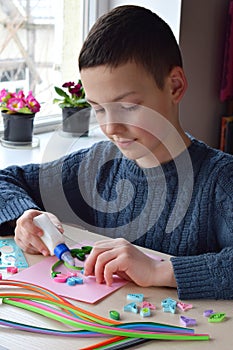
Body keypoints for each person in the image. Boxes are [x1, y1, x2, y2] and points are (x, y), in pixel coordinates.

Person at [1, 5, 233, 300]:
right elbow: (7, 180)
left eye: (127, 107)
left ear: (174, 86)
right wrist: (25, 218)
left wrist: (158, 270)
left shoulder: (221, 179)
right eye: (98, 108)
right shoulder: (95, 165)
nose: (111, 127)